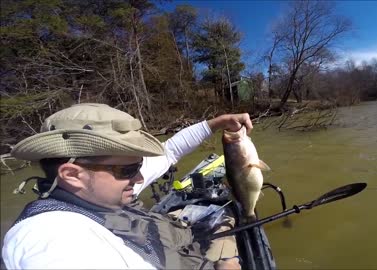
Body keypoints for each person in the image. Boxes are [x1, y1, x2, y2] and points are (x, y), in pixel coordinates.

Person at [2, 103, 252, 269]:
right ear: (71, 174)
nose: (140, 178)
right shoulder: (51, 239)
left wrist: (218, 123)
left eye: (138, 166)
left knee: (223, 216)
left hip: (177, 242)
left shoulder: (95, 187)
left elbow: (171, 151)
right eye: (129, 170)